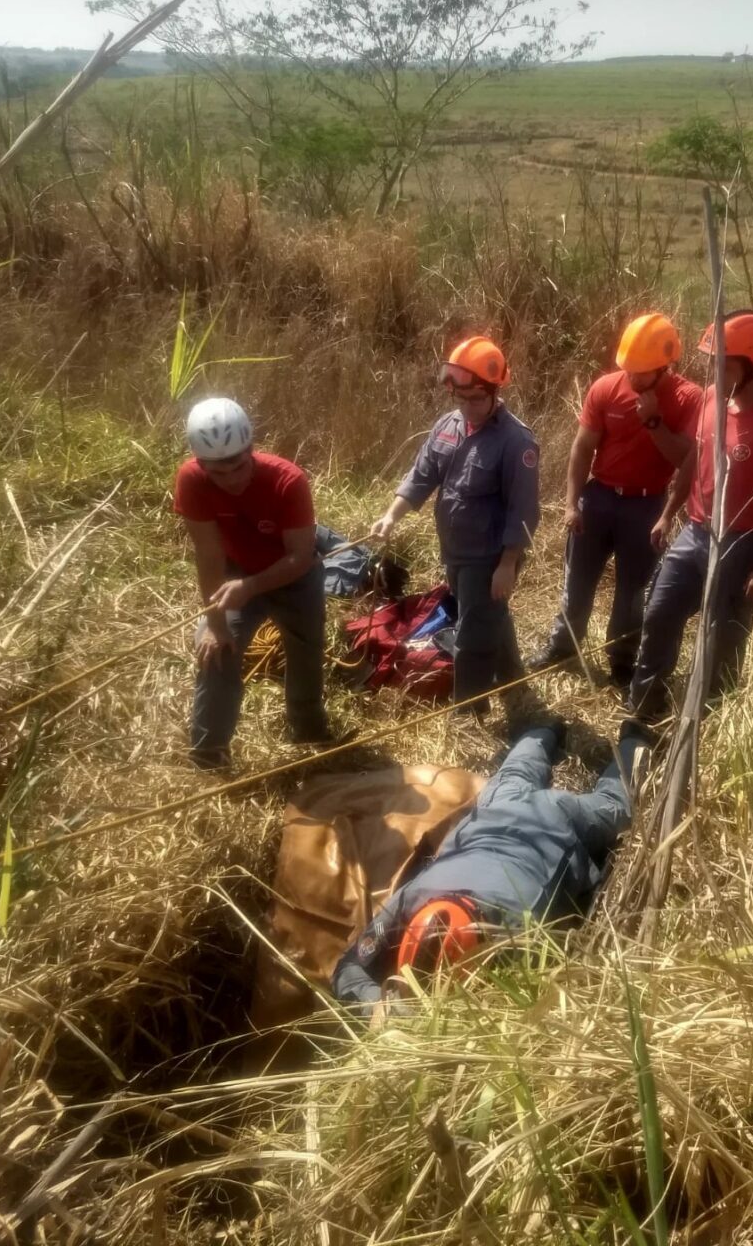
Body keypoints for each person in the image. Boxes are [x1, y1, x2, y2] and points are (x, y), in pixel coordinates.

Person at [331, 718, 648, 1013]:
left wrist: (378, 1006)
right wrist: (381, 1006)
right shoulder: (411, 901)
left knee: (615, 809)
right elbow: (347, 968)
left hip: (554, 819)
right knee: (516, 775)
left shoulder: (523, 930)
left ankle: (629, 740)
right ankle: (551, 731)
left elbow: (349, 970)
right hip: (496, 810)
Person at [629, 311, 753, 721]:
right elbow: (695, 457)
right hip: (694, 531)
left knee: (721, 638)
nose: (713, 369)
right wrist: (668, 512)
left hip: (744, 542)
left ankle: (710, 719)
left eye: (722, 362)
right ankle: (643, 708)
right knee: (659, 614)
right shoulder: (713, 399)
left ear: (749, 366)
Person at [528, 313, 702, 687]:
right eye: (629, 370)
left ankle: (621, 661)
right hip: (599, 497)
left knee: (632, 593)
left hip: (646, 507)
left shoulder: (689, 398)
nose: (632, 379)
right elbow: (582, 448)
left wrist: (654, 421)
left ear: (665, 366)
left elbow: (685, 461)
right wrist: (572, 503)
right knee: (577, 582)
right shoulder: (606, 388)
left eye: (641, 373)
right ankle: (564, 645)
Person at [369, 337, 540, 714]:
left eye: (475, 400)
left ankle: (469, 711)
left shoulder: (516, 441)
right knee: (487, 614)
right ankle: (513, 677)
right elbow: (422, 475)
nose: (467, 408)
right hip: (456, 550)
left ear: (494, 392)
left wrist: (508, 565)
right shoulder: (448, 426)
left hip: (489, 556)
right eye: (460, 400)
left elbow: (523, 511)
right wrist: (390, 516)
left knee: (473, 635)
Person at [173, 397, 330, 768]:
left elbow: (300, 556)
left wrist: (251, 587)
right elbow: (208, 553)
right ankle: (209, 752)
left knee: (306, 650)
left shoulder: (287, 481)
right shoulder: (192, 480)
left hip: (294, 577)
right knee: (215, 651)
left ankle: (309, 732)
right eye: (218, 473)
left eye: (239, 467)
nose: (231, 481)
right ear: (200, 463)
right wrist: (214, 625)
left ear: (250, 450)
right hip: (236, 573)